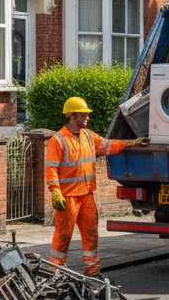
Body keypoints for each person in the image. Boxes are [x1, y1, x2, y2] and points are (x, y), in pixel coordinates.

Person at [46, 97, 144, 277]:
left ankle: (92, 272)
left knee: (91, 236)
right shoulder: (58, 140)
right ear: (73, 115)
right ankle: (54, 273)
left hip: (86, 196)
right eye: (84, 114)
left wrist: (128, 143)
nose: (88, 117)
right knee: (63, 236)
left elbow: (108, 145)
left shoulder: (89, 136)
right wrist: (56, 191)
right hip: (68, 198)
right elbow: (51, 168)